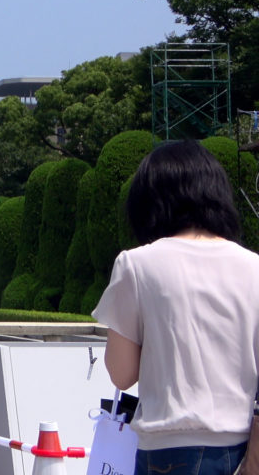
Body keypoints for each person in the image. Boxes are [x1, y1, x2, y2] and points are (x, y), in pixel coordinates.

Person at [93, 140, 259, 475]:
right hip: (242, 448)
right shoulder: (254, 266)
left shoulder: (137, 264)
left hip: (168, 450)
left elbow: (122, 375)